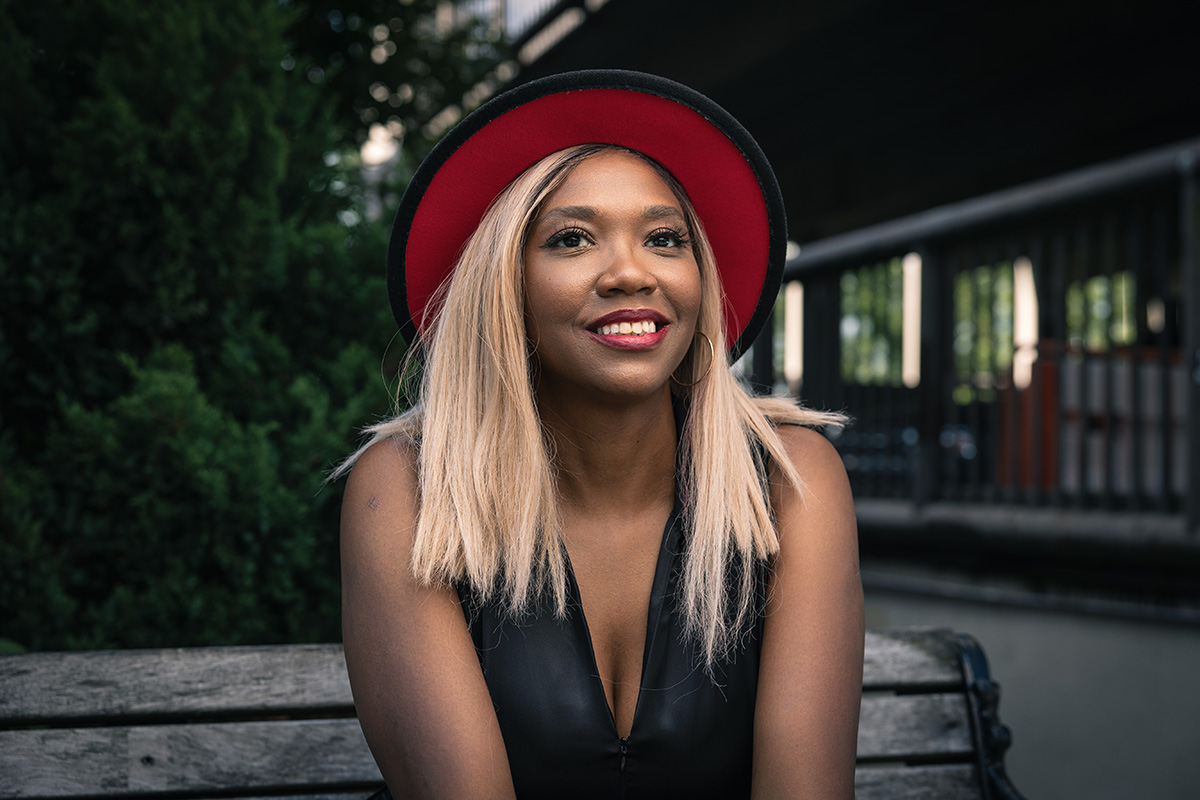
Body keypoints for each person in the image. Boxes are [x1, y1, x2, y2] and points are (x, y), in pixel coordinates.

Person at [336, 70, 863, 800]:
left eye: (665, 238)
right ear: (503, 283)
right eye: (573, 239)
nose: (630, 273)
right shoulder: (404, 486)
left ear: (700, 278)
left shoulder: (792, 478)